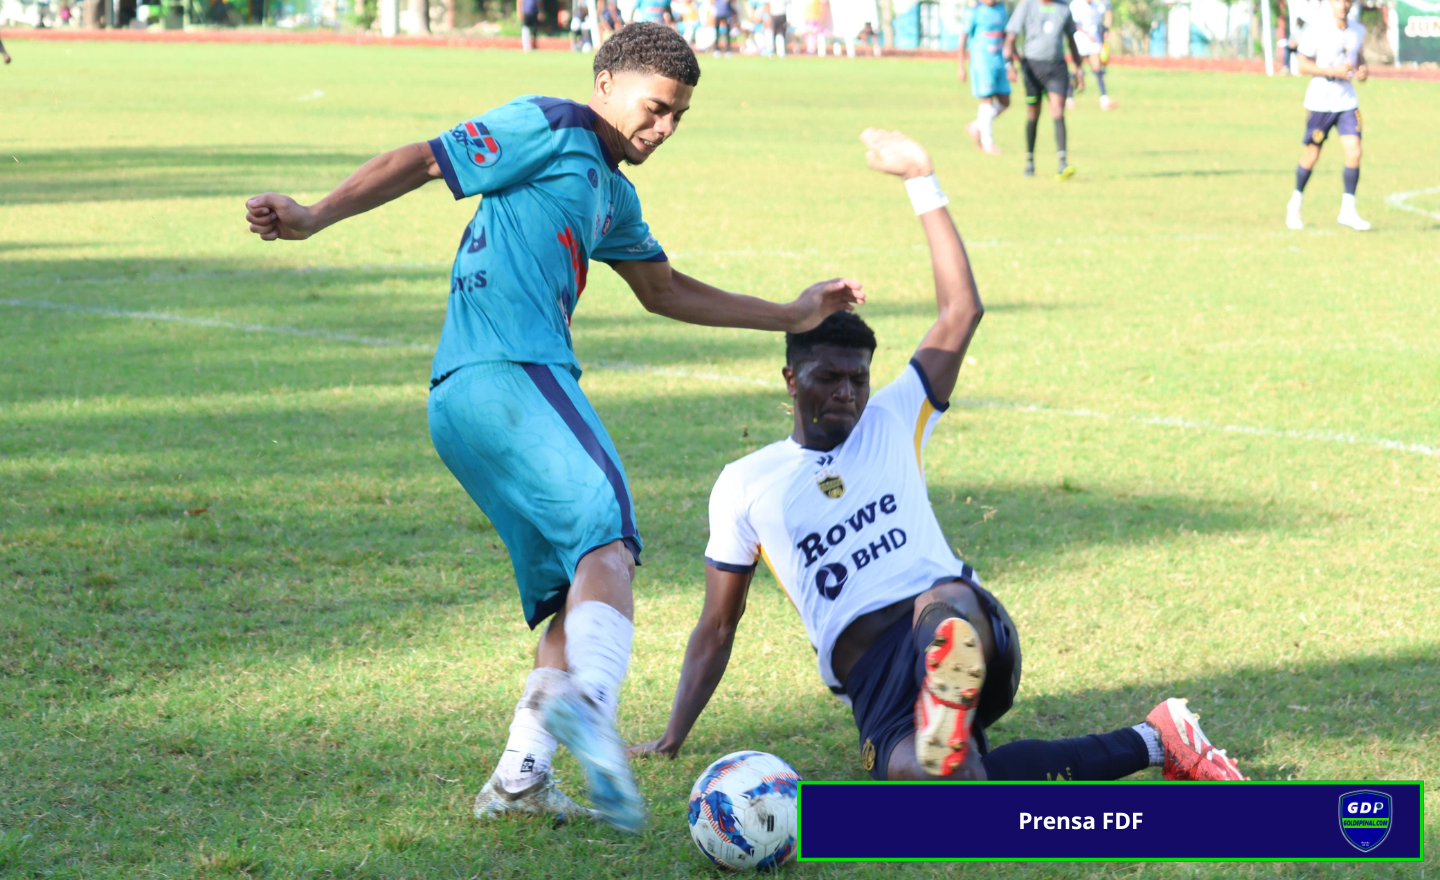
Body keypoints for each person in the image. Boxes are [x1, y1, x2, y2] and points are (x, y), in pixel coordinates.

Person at [242, 23, 863, 834]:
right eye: (655, 107)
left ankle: (518, 780)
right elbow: (425, 158)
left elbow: (664, 290)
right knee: (609, 543)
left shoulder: (613, 189)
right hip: (511, 371)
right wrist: (314, 215)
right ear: (605, 84)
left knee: (575, 590)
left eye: (678, 116)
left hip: (466, 399)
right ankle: (593, 711)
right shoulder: (553, 124)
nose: (664, 127)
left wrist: (789, 313)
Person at [630, 129, 1249, 788]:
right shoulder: (744, 484)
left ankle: (945, 697)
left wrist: (920, 178)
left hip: (961, 626)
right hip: (873, 681)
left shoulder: (893, 419)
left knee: (945, 603)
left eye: (858, 379)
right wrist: (672, 738)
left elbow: (962, 310)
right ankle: (1154, 739)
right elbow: (718, 626)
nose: (846, 392)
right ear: (789, 379)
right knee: (949, 790)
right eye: (827, 378)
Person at [1286, 0, 1369, 231]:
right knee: (1312, 155)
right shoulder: (1317, 29)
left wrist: (1363, 70)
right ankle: (1296, 202)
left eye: (1347, 1)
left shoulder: (1357, 30)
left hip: (1347, 102)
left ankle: (1348, 210)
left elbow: (1358, 57)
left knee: (1355, 151)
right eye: (1338, 1)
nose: (1343, 5)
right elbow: (1301, 64)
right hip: (1321, 102)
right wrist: (1332, 71)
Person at [1004, 0, 1083, 179]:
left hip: (1056, 67)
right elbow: (1010, 37)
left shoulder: (1063, 7)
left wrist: (1079, 68)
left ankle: (1062, 162)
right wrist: (1010, 64)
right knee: (1033, 112)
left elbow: (1071, 39)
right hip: (1032, 66)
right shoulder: (1026, 6)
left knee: (1057, 110)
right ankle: (1030, 160)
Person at [958, 0, 1011, 155]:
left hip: (999, 61)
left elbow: (1007, 36)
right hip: (982, 62)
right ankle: (988, 144)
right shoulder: (974, 12)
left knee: (1005, 101)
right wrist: (961, 66)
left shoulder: (1001, 9)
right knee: (987, 100)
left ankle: (976, 126)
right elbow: (963, 40)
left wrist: (1012, 59)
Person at [1067, 0, 1115, 109]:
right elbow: (1075, 24)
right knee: (1076, 69)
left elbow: (1107, 11)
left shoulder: (1096, 6)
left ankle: (1104, 99)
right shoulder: (1076, 5)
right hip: (1080, 41)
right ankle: (1069, 97)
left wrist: (1106, 30)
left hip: (1094, 42)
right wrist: (1087, 35)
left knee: (1098, 69)